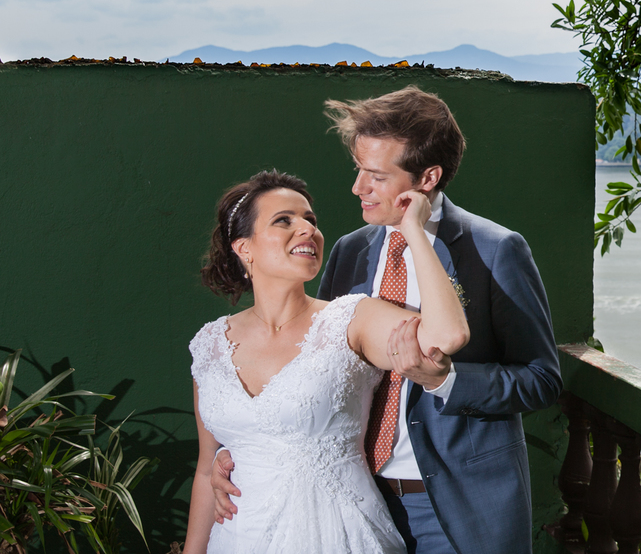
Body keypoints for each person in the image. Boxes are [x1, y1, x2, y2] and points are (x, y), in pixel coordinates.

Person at [212, 86, 563, 554]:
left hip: (459, 507)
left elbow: (541, 379)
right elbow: (312, 369)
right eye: (358, 170)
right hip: (354, 502)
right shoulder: (350, 251)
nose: (358, 188)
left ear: (428, 178)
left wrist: (447, 382)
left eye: (375, 175)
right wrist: (236, 452)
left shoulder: (495, 250)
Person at [183, 169, 470, 554]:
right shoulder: (209, 344)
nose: (307, 229)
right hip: (237, 537)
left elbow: (446, 337)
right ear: (244, 248)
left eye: (310, 221)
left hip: (340, 536)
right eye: (284, 220)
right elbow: (206, 470)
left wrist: (412, 231)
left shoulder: (351, 320)